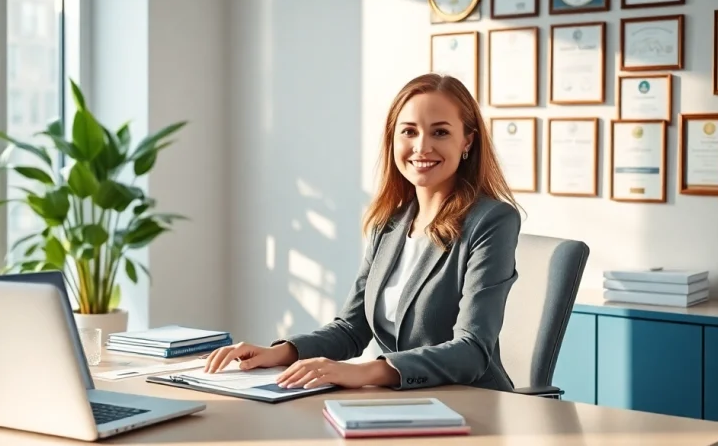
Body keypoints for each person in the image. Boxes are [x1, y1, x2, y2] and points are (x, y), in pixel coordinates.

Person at [204, 73, 522, 392]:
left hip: (474, 402)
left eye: (440, 132)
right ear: (393, 139)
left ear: (467, 140)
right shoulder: (390, 223)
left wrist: (365, 373)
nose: (422, 146)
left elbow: (472, 349)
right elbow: (352, 329)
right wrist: (278, 353)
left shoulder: (492, 220)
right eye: (409, 131)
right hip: (403, 402)